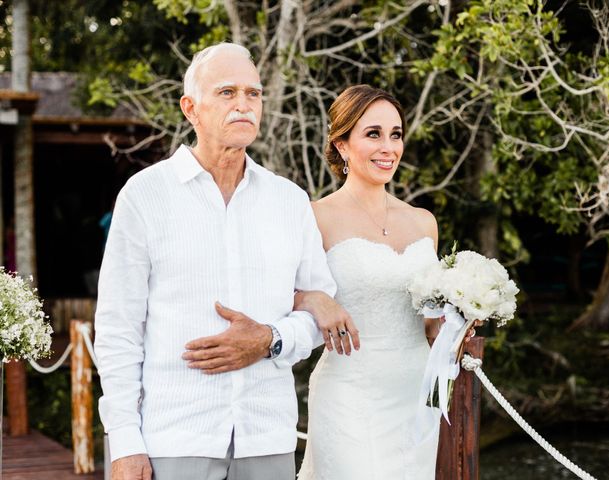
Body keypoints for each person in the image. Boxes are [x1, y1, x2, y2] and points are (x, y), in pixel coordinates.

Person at [94, 43, 345, 480]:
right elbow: (117, 330)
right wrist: (125, 443)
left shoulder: (289, 200)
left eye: (253, 94)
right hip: (173, 439)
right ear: (191, 108)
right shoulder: (145, 195)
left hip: (267, 436)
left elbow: (318, 308)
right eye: (227, 93)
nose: (244, 105)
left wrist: (269, 339)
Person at [296, 85, 475, 480]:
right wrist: (310, 298)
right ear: (342, 145)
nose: (388, 146)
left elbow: (428, 324)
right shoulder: (314, 217)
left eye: (395, 134)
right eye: (373, 134)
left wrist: (460, 315)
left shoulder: (423, 222)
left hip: (414, 392)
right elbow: (276, 295)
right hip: (348, 392)